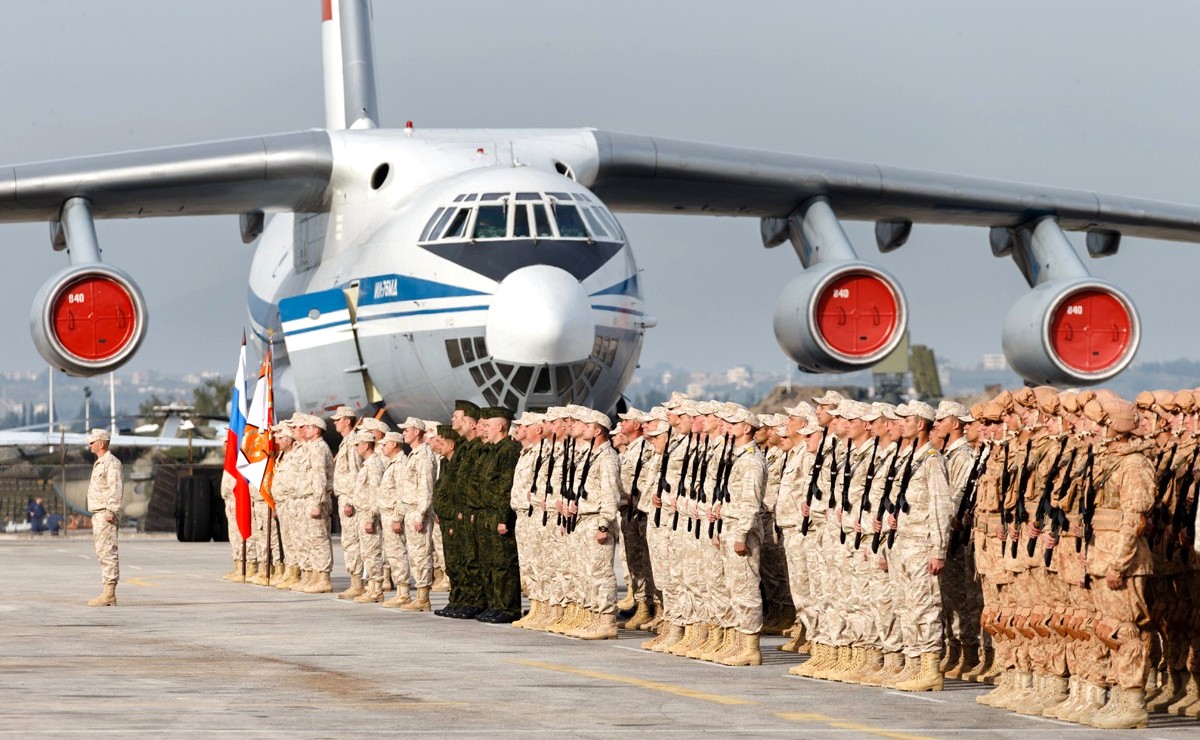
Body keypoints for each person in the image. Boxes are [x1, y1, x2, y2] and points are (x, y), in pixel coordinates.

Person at [85, 429, 122, 607]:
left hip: (105, 514)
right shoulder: (100, 463)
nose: (89, 445)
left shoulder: (111, 463)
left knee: (108, 552)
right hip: (98, 514)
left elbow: (115, 488)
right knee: (102, 552)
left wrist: (111, 511)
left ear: (101, 443)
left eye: (92, 442)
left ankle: (109, 593)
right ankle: (107, 591)